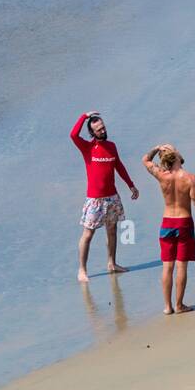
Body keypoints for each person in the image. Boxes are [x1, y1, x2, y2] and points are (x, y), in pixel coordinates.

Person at [142, 144, 195, 314]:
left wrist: (156, 148)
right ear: (177, 155)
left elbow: (145, 160)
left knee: (167, 267)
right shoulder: (190, 178)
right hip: (183, 223)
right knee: (181, 267)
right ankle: (179, 305)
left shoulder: (161, 175)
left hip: (166, 224)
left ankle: (167, 307)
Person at [71, 110, 139, 282]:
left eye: (103, 127)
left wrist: (131, 185)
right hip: (95, 199)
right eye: (98, 129)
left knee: (112, 231)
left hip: (112, 197)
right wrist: (84, 116)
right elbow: (73, 135)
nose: (102, 131)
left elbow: (119, 166)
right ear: (92, 132)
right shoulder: (87, 148)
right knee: (88, 234)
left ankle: (112, 263)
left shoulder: (111, 146)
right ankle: (82, 270)